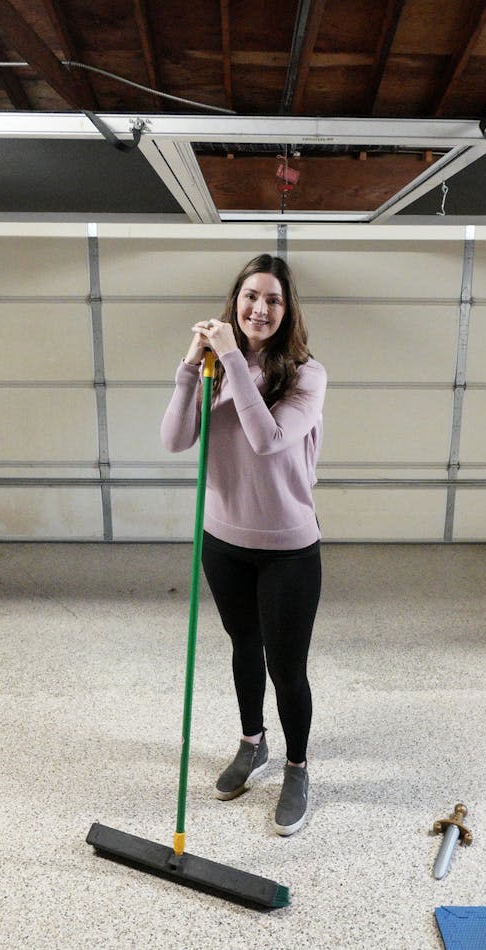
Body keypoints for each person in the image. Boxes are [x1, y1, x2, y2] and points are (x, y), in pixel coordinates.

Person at [160, 253, 326, 836]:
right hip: (223, 540)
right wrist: (189, 369)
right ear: (235, 301)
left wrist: (230, 356)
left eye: (273, 300)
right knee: (243, 645)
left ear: (287, 310)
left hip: (288, 549)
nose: (260, 308)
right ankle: (252, 742)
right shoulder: (210, 370)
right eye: (250, 296)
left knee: (287, 666)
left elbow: (268, 440)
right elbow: (175, 439)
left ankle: (298, 768)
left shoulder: (306, 374)